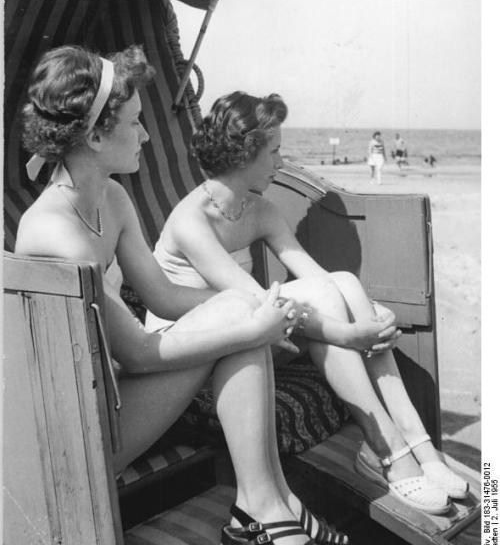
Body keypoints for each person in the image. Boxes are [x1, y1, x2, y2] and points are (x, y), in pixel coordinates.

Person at [15, 48, 342, 545]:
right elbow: (140, 355)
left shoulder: (111, 198)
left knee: (241, 308)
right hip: (82, 430)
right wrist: (251, 325)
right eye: (136, 123)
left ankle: (270, 501)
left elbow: (164, 298)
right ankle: (260, 508)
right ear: (96, 136)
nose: (145, 135)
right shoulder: (55, 234)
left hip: (111, 393)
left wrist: (251, 307)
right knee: (242, 322)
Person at [147, 91, 469, 516]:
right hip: (190, 359)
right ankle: (384, 447)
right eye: (275, 151)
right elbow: (257, 304)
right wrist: (350, 331)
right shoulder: (192, 220)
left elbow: (317, 277)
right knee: (328, 295)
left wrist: (369, 310)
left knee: (345, 282)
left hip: (244, 340)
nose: (281, 162)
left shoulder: (258, 209)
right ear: (244, 154)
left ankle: (417, 444)